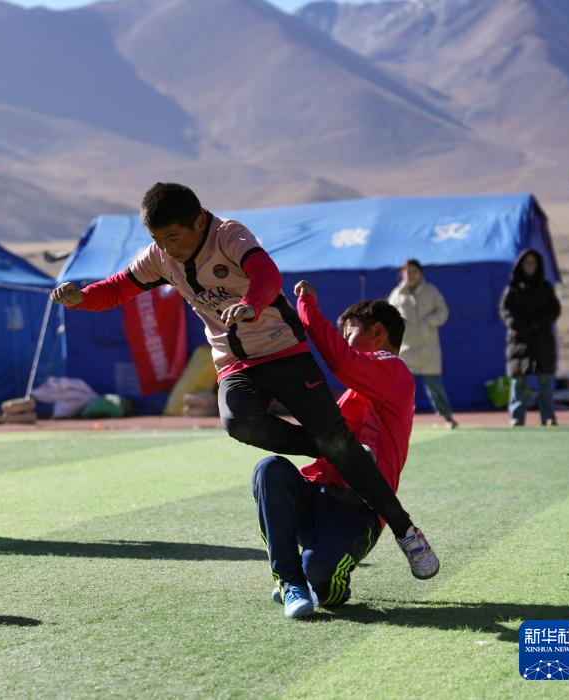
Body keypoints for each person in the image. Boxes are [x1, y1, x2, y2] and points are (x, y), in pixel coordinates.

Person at [51, 182, 439, 580]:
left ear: (199, 221)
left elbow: (267, 274)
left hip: (284, 352)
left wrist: (251, 305)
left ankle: (405, 531)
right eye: (157, 239)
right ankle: (328, 452)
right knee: (238, 421)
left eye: (173, 237)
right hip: (234, 364)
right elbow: (119, 287)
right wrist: (83, 297)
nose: (166, 248)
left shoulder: (229, 235)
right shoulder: (160, 257)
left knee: (336, 443)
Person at [254, 283, 421, 618]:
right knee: (269, 469)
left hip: (356, 513)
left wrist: (307, 306)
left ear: (377, 332)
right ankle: (290, 581)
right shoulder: (356, 391)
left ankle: (320, 580)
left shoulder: (394, 369)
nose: (344, 342)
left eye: (349, 334)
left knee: (321, 577)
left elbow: (341, 361)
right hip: (317, 497)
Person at [388, 259, 458, 428]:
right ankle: (397, 419)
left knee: (435, 386)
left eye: (415, 271)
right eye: (408, 271)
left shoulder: (431, 291)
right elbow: (388, 317)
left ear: (421, 273)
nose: (411, 275)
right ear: (402, 273)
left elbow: (443, 311)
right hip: (406, 349)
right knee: (401, 386)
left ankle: (448, 417)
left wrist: (430, 321)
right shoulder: (396, 294)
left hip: (428, 348)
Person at [500, 250, 560, 427]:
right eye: (526, 262)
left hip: (542, 340)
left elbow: (554, 309)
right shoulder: (512, 289)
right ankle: (516, 417)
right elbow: (505, 311)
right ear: (520, 265)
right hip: (519, 341)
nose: (530, 266)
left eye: (533, 262)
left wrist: (538, 324)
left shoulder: (545, 287)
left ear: (538, 265)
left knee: (544, 380)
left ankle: (548, 416)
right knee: (518, 380)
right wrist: (519, 325)